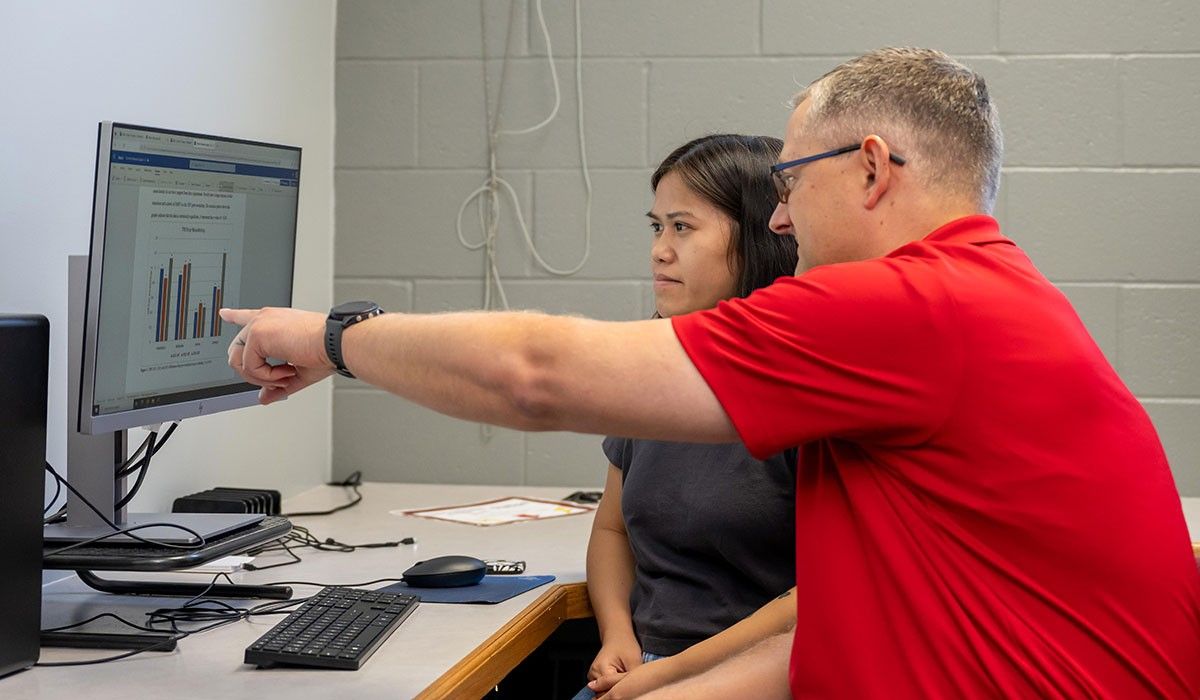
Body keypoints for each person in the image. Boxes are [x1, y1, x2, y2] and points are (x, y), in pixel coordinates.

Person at [222, 47, 1200, 699]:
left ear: (870, 169)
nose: (781, 221)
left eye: (791, 185)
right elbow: (827, 626)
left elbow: (536, 374)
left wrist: (331, 336)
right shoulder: (985, 296)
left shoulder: (908, 306)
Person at [574, 134, 798, 700]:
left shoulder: (804, 394)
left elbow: (816, 596)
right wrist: (616, 634)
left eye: (682, 227)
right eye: (656, 228)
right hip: (640, 668)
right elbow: (611, 527)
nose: (659, 250)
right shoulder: (652, 378)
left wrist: (668, 675)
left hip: (748, 678)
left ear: (755, 239)